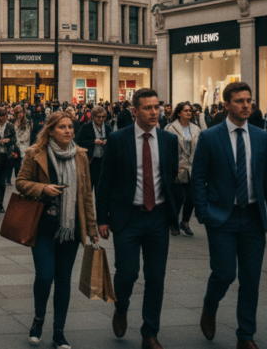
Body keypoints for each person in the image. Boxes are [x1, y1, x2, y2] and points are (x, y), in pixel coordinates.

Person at [191, 82, 267, 349]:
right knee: (224, 273)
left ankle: (246, 335)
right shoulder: (210, 137)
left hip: (253, 216)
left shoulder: (260, 136)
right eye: (240, 101)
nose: (246, 105)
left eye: (249, 101)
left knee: (251, 278)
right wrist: (203, 212)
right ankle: (210, 305)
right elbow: (198, 178)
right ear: (227, 105)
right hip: (222, 216)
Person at [97, 89, 179, 349]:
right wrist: (102, 219)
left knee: (156, 277)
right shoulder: (118, 139)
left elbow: (171, 178)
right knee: (127, 273)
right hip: (127, 217)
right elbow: (105, 181)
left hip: (157, 217)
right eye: (148, 108)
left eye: (157, 107)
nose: (154, 112)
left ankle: (150, 332)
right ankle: (121, 307)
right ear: (135, 111)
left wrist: (174, 216)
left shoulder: (167, 140)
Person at [15, 111, 97, 349]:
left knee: (63, 280)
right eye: (62, 127)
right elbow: (21, 182)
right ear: (50, 130)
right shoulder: (35, 153)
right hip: (42, 227)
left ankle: (59, 331)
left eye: (70, 127)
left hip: (70, 229)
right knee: (44, 276)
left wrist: (91, 227)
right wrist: (43, 188)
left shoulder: (81, 155)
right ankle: (38, 319)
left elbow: (86, 194)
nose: (68, 131)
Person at [165, 102, 200, 237]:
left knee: (191, 198)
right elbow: (167, 149)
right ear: (178, 113)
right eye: (185, 111)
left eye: (190, 111)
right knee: (178, 198)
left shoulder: (196, 129)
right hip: (177, 168)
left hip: (192, 168)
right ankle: (172, 223)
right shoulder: (171, 128)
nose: (188, 113)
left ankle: (185, 222)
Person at [75, 106, 109, 194]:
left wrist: (107, 142)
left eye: (103, 117)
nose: (101, 119)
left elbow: (113, 141)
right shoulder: (86, 127)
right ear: (93, 117)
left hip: (103, 161)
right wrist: (93, 142)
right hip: (90, 160)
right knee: (88, 188)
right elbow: (79, 142)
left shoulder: (107, 127)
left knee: (101, 188)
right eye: (98, 117)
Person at [11, 105, 33, 184]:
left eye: (20, 112)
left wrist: (15, 140)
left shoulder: (27, 122)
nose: (19, 114)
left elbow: (26, 136)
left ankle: (22, 182)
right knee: (16, 167)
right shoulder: (13, 122)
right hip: (15, 148)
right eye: (17, 112)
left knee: (22, 167)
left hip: (23, 148)